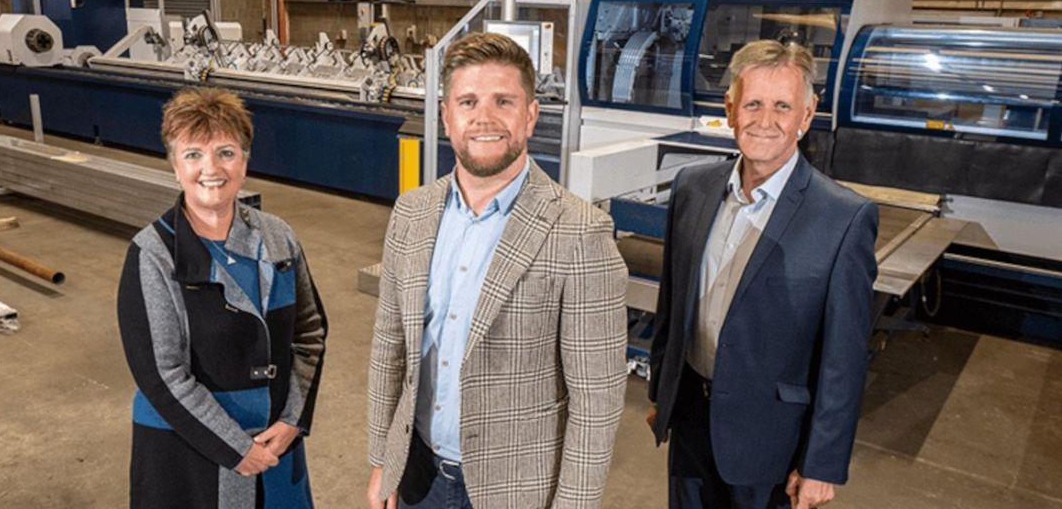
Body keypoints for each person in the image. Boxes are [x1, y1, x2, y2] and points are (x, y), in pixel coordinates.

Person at [366, 32, 628, 509]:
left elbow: (596, 405)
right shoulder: (411, 213)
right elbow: (390, 346)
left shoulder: (581, 234)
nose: (484, 118)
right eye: (468, 101)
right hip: (417, 474)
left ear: (530, 115)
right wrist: (383, 460)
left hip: (518, 491)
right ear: (447, 116)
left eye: (503, 101)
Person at [647, 40, 878, 509]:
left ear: (806, 116)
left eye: (782, 106)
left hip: (772, 442)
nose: (765, 120)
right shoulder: (693, 187)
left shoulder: (842, 218)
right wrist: (661, 392)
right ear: (731, 109)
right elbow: (672, 303)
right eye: (752, 103)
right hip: (691, 416)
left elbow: (844, 358)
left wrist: (821, 463)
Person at [117, 87, 328, 508]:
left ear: (245, 163)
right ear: (175, 166)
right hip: (188, 454)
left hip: (275, 446)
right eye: (193, 154)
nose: (210, 168)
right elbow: (163, 375)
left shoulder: (278, 236)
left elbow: (310, 333)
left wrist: (292, 419)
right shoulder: (153, 254)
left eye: (226, 152)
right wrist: (238, 450)